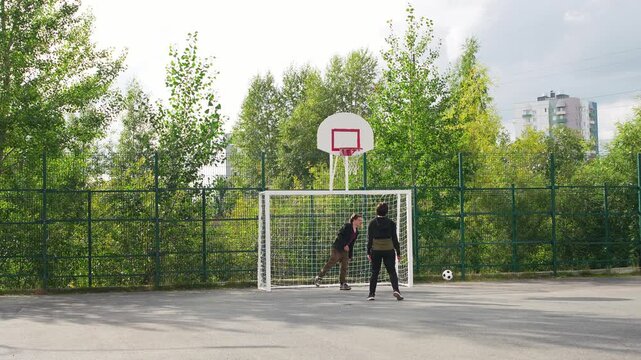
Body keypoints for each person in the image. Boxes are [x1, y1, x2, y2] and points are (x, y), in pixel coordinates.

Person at [314, 213, 363, 290]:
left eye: (361, 220)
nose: (361, 222)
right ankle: (319, 277)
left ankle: (342, 283)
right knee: (331, 262)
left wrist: (350, 255)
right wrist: (344, 245)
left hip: (345, 251)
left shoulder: (356, 232)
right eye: (359, 220)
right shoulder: (347, 226)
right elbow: (339, 235)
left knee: (344, 266)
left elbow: (351, 244)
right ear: (354, 220)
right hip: (338, 248)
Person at [367, 202, 403, 301]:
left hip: (376, 250)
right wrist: (398, 252)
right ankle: (396, 290)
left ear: (376, 211)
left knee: (374, 272)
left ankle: (371, 294)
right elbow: (395, 239)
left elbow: (369, 239)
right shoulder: (391, 223)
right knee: (392, 271)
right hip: (389, 249)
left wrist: (368, 252)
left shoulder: (372, 223)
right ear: (387, 211)